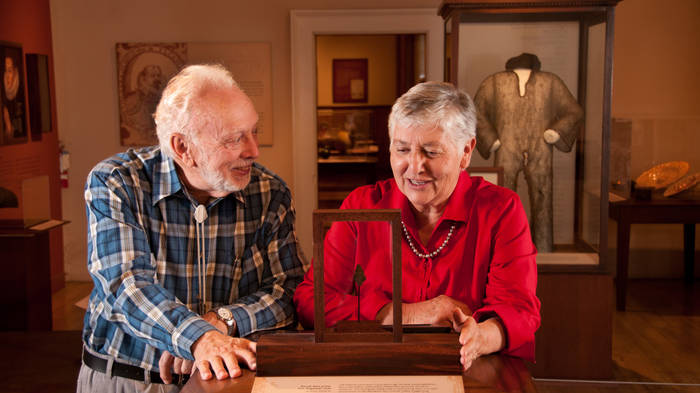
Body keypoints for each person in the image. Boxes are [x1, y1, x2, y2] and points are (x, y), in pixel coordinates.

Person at [79, 64, 307, 392]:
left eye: (253, 131)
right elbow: (125, 285)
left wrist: (221, 323)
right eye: (234, 139)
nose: (253, 151)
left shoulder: (270, 192)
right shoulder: (117, 183)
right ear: (183, 148)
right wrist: (197, 338)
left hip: (225, 382)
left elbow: (289, 289)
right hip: (128, 379)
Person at [294, 81, 540, 370]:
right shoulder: (361, 207)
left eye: (431, 152)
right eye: (402, 149)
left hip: (469, 369)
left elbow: (519, 311)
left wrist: (480, 336)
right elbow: (311, 301)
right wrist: (409, 314)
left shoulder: (501, 209)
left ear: (466, 151)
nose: (414, 166)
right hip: (376, 369)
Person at [474, 53, 583, 252]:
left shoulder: (549, 82)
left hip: (539, 146)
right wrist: (491, 139)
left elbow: (573, 111)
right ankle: (502, 249)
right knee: (502, 200)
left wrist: (556, 131)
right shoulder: (495, 82)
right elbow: (476, 111)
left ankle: (543, 249)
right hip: (507, 146)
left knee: (542, 197)